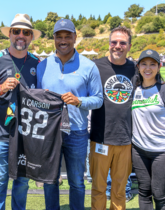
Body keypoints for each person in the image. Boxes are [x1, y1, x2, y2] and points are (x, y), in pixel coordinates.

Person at [37, 18, 104, 209]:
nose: (63, 40)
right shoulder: (43, 66)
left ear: (75, 38)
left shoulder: (88, 66)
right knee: (50, 181)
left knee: (77, 182)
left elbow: (98, 100)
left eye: (68, 36)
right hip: (50, 134)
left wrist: (79, 101)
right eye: (59, 37)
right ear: (54, 39)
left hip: (77, 133)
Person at [0, 14, 41, 210]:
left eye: (26, 32)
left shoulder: (38, 63)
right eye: (16, 31)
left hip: (27, 136)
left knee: (22, 184)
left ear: (31, 37)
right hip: (1, 135)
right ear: (10, 35)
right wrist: (0, 88)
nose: (21, 35)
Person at [90, 26, 136, 210]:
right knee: (98, 189)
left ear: (129, 46)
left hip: (125, 140)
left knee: (119, 190)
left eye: (122, 43)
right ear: (109, 44)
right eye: (114, 42)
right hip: (100, 138)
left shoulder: (136, 69)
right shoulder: (96, 66)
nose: (118, 46)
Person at [132, 49, 165, 210]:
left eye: (152, 64)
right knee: (144, 192)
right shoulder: (135, 89)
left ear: (159, 67)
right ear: (138, 66)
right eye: (144, 64)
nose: (148, 68)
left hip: (162, 151)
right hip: (139, 150)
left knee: (159, 195)